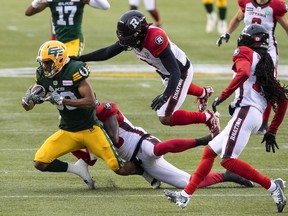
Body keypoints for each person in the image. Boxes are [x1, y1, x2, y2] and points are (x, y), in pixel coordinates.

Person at [164, 24, 288, 212]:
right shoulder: (266, 61)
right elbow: (283, 99)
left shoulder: (245, 52)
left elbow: (244, 72)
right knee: (210, 151)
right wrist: (272, 129)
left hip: (246, 112)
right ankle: (185, 195)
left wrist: (223, 95)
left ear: (248, 39)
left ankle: (272, 186)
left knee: (228, 160)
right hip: (250, 114)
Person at [71, 10, 220, 138]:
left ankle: (208, 118)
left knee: (165, 117)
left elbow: (175, 72)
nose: (124, 41)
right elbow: (108, 52)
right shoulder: (134, 38)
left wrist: (165, 95)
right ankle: (203, 93)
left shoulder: (155, 39)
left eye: (128, 37)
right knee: (178, 89)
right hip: (167, 72)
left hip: (180, 72)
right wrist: (80, 59)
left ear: (139, 34)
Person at [21, 40, 143, 190]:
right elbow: (29, 106)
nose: (44, 66)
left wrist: (64, 101)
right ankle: (76, 169)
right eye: (43, 63)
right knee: (40, 162)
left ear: (59, 60)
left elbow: (91, 102)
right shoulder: (43, 75)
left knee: (120, 169)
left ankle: (145, 171)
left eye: (47, 62)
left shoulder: (74, 70)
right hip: (68, 131)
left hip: (90, 129)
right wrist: (28, 101)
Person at [72, 101, 254, 189]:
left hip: (139, 142)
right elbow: (93, 157)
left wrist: (94, 133)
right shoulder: (84, 127)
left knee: (156, 149)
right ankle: (228, 176)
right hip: (136, 160)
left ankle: (205, 140)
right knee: (187, 183)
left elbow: (113, 136)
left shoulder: (104, 110)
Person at [216, 0, 288, 135]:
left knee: (268, 83)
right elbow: (237, 18)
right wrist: (227, 33)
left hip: (268, 50)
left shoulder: (276, 6)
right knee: (244, 77)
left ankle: (264, 123)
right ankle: (241, 108)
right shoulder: (246, 2)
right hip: (247, 47)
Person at [25, 0, 111, 56]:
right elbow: (28, 12)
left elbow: (105, 6)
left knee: (69, 67)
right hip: (58, 41)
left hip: (74, 40)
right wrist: (37, 1)